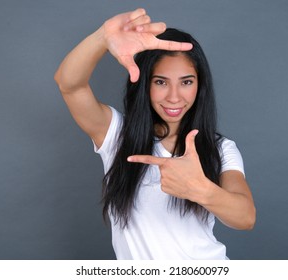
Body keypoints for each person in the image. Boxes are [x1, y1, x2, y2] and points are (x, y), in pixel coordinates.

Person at [54, 8, 256, 260]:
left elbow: (245, 217)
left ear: (199, 85)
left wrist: (200, 189)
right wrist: (102, 37)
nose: (174, 97)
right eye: (161, 82)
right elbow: (69, 85)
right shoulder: (116, 134)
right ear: (145, 84)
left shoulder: (220, 148)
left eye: (186, 82)